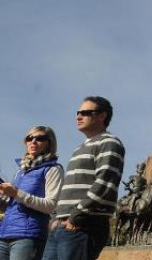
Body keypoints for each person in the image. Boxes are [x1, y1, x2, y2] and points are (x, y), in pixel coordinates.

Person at [42, 96, 125, 260]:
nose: (78, 117)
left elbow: (104, 183)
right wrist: (55, 218)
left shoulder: (110, 142)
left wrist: (77, 216)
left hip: (83, 226)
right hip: (61, 226)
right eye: (78, 112)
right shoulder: (80, 148)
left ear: (102, 116)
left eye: (86, 113)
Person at [0, 126, 64, 260]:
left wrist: (16, 192)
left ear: (49, 143)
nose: (33, 141)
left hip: (28, 238)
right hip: (5, 234)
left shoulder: (53, 169)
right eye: (30, 138)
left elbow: (51, 205)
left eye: (40, 138)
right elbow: (13, 203)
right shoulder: (20, 171)